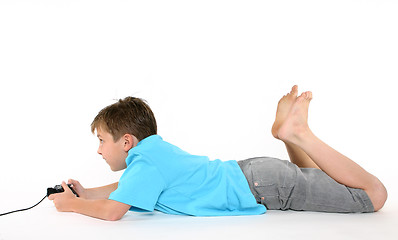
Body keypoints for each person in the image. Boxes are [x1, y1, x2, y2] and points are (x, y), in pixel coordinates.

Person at [48, 85, 387, 220]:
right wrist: (87, 192)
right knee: (320, 180)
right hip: (257, 176)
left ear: (125, 142)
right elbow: (125, 192)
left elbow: (113, 212)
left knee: (372, 196)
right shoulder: (151, 155)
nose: (98, 150)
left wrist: (73, 205)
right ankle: (290, 138)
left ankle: (299, 133)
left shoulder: (146, 162)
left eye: (101, 140)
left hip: (262, 185)